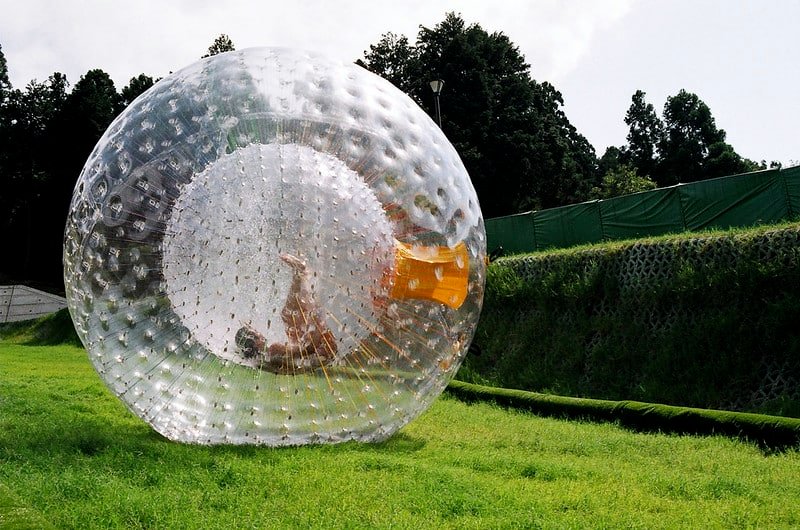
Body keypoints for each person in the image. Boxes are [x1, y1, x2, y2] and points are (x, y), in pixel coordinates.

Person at [235, 253, 337, 374]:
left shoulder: (263, 360)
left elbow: (299, 357)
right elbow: (307, 349)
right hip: (324, 348)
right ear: (255, 341)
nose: (259, 332)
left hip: (324, 352)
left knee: (291, 316)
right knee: (289, 314)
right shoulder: (273, 351)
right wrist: (316, 325)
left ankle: (300, 276)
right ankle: (299, 274)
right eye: (256, 332)